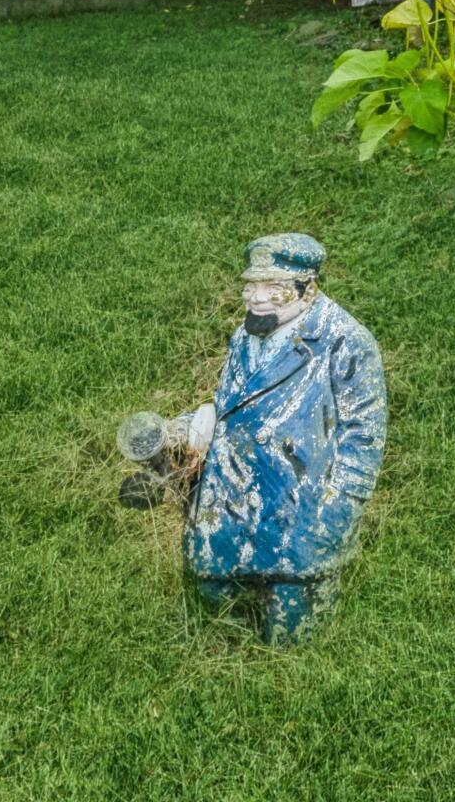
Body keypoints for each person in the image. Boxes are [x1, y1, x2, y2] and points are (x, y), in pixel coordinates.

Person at [181, 231, 386, 640]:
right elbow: (236, 402)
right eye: (250, 286)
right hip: (229, 506)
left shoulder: (344, 340)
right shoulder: (245, 335)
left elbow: (364, 435)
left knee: (293, 642)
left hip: (299, 512)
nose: (255, 298)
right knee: (212, 624)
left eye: (271, 288)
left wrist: (336, 511)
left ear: (306, 289)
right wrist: (204, 417)